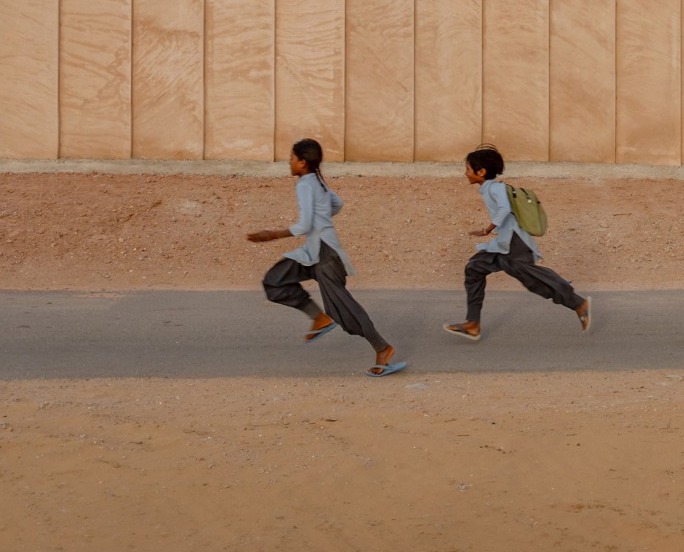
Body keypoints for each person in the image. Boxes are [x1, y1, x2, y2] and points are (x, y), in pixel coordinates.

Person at [247, 138, 406, 376]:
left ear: (302, 162)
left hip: (323, 254)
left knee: (344, 308)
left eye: (292, 158)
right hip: (315, 252)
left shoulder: (305, 184)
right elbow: (337, 204)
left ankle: (382, 348)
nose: (288, 162)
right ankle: (319, 319)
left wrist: (271, 235)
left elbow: (304, 224)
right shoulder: (317, 181)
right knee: (275, 279)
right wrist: (323, 219)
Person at [443, 146, 592, 342]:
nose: (465, 173)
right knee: (474, 268)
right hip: (503, 243)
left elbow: (505, 208)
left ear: (482, 172)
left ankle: (578, 303)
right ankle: (473, 323)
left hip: (514, 243)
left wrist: (487, 229)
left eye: (468, 169)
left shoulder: (495, 187)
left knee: (531, 277)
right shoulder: (488, 189)